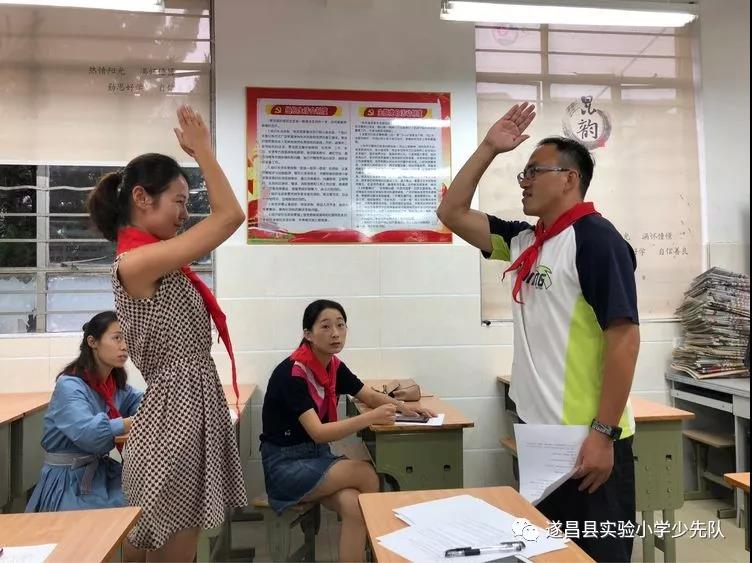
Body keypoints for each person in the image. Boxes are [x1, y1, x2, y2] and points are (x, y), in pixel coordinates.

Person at [436, 103, 640, 562]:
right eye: (522, 173)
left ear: (569, 178)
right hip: (541, 436)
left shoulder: (597, 240)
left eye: (534, 171)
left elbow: (625, 340)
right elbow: (451, 211)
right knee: (550, 554)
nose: (524, 181)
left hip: (588, 437)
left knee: (596, 554)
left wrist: (603, 433)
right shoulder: (526, 240)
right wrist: (489, 147)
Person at [87, 106, 247, 562]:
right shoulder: (136, 263)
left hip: (182, 410)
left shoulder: (157, 260)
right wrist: (204, 152)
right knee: (172, 550)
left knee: (166, 548)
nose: (184, 212)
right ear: (142, 198)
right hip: (174, 418)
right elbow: (230, 216)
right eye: (178, 200)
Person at [260, 299, 435, 562]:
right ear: (308, 334)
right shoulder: (293, 374)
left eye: (341, 325)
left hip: (316, 457)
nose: (335, 333)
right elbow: (319, 432)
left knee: (353, 505)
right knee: (366, 473)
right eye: (326, 326)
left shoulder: (333, 366)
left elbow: (368, 395)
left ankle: (371, 551)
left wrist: (406, 409)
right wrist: (370, 418)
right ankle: (381, 551)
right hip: (285, 467)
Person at [26, 311, 141, 513]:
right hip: (69, 481)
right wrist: (130, 422)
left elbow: (146, 403)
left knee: (148, 501)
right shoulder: (69, 386)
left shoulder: (115, 385)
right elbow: (90, 435)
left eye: (127, 338)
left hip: (100, 474)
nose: (125, 346)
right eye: (117, 338)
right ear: (92, 342)